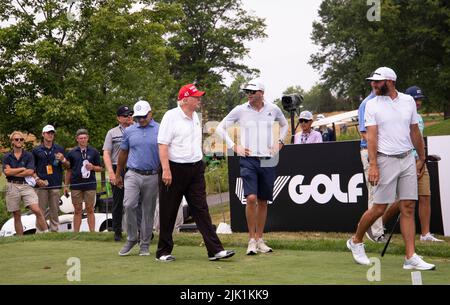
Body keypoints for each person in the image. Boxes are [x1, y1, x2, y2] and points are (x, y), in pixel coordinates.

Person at [347, 67, 435, 270]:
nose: (374, 84)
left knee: (408, 207)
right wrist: (374, 165)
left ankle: (410, 256)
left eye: (378, 81)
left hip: (407, 158)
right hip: (385, 160)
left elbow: (414, 131)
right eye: (373, 81)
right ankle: (356, 240)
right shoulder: (371, 105)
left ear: (390, 81)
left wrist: (421, 158)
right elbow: (370, 136)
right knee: (379, 208)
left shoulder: (408, 101)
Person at [156, 84, 235, 262]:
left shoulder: (195, 117)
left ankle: (215, 250)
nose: (199, 100)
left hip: (195, 168)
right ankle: (163, 252)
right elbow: (162, 144)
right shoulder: (171, 116)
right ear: (185, 99)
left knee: (201, 209)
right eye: (196, 97)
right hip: (174, 168)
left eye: (199, 97)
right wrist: (166, 169)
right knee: (168, 211)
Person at [216, 79, 288, 255]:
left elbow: (285, 125)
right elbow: (220, 128)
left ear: (261, 93)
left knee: (263, 201)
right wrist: (234, 147)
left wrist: (279, 143)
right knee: (250, 198)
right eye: (247, 91)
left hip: (268, 159)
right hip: (248, 159)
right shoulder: (240, 110)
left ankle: (260, 239)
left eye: (252, 91)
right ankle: (251, 240)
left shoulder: (273, 109)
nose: (249, 93)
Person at [381, 86, 443, 242]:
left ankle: (425, 234)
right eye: (416, 99)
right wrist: (415, 163)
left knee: (425, 196)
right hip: (406, 162)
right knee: (404, 200)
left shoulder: (419, 118)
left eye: (420, 100)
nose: (418, 103)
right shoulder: (399, 117)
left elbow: (418, 140)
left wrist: (422, 161)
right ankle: (378, 225)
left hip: (420, 161)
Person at [116, 100, 159, 256]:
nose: (140, 120)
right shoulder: (129, 131)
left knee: (148, 211)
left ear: (150, 113)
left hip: (153, 175)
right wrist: (118, 174)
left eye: (143, 117)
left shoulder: (160, 129)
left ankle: (145, 244)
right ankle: (132, 237)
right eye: (138, 117)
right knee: (129, 205)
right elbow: (123, 154)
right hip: (133, 173)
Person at [2, 131, 48, 235]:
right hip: (12, 185)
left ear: (23, 142)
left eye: (21, 139)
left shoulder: (29, 155)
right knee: (16, 214)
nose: (19, 141)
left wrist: (13, 171)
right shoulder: (7, 156)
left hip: (26, 185)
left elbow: (30, 171)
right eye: (16, 139)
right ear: (12, 141)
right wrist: (22, 169)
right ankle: (21, 239)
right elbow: (6, 172)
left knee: (36, 210)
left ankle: (46, 233)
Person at [358, 91, 387, 243]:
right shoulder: (367, 103)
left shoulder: (386, 102)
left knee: (387, 192)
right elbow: (364, 133)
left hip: (386, 153)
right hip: (370, 152)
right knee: (374, 192)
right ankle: (374, 232)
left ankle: (378, 227)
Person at [103, 105, 134, 241]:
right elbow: (106, 153)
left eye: (130, 115)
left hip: (134, 168)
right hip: (117, 169)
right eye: (126, 115)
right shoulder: (112, 133)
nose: (129, 117)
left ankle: (138, 230)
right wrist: (111, 172)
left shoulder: (137, 130)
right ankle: (117, 231)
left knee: (136, 201)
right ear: (119, 118)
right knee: (118, 201)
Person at [32, 125, 70, 232]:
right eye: (48, 133)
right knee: (40, 211)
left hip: (55, 184)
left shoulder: (59, 148)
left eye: (52, 133)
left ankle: (55, 231)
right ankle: (41, 232)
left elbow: (68, 166)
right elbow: (31, 168)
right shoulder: (36, 150)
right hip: (41, 185)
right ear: (43, 134)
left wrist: (63, 159)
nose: (50, 135)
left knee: (54, 210)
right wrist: (37, 179)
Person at [65, 129, 102, 232]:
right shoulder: (71, 152)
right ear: (77, 139)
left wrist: (93, 167)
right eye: (81, 138)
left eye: (85, 138)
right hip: (76, 184)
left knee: (90, 209)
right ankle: (76, 233)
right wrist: (66, 185)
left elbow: (100, 168)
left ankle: (92, 233)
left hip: (90, 184)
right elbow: (68, 170)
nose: (83, 140)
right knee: (77, 210)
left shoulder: (94, 151)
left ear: (88, 138)